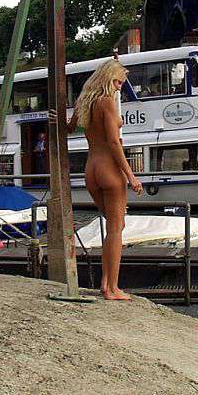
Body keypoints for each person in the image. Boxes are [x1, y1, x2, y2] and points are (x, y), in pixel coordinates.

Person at [66, 60, 143, 301]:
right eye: (118, 82)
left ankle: (105, 283)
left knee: (113, 226)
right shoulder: (107, 102)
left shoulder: (84, 102)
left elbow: (69, 128)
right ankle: (112, 288)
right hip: (109, 169)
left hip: (91, 169)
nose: (120, 88)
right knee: (116, 229)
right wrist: (131, 175)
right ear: (108, 78)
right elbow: (113, 142)